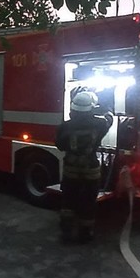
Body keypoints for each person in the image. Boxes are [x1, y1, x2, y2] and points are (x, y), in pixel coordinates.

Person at [55, 90, 114, 243]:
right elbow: (110, 118)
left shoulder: (64, 126)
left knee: (68, 201)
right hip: (91, 171)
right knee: (88, 202)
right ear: (91, 108)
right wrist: (104, 107)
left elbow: (59, 146)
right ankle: (85, 234)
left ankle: (66, 233)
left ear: (73, 108)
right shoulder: (100, 124)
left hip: (70, 170)